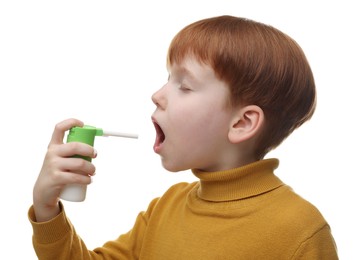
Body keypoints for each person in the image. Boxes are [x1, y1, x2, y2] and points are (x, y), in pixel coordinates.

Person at [28, 15, 338, 259]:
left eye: (185, 86)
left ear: (242, 123)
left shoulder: (301, 232)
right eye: (167, 79)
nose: (157, 95)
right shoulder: (165, 208)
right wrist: (47, 209)